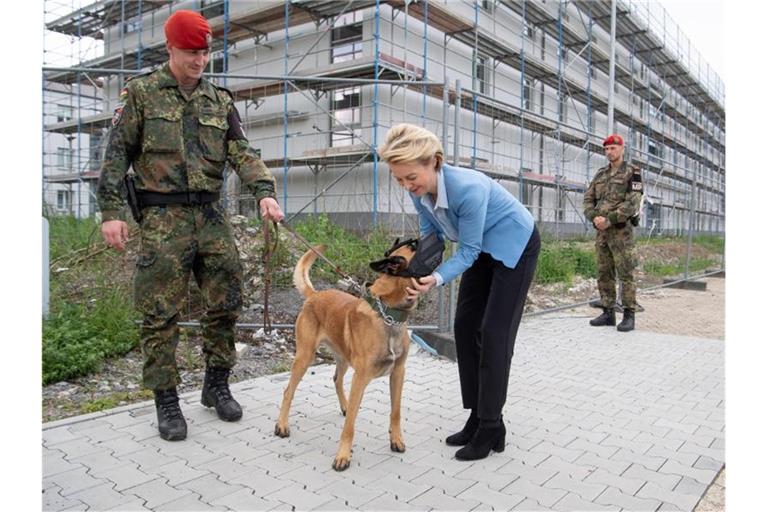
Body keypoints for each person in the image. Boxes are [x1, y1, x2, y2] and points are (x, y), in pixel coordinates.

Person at [96, 10, 284, 441]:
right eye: (189, 52)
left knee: (227, 300)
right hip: (163, 219)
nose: (198, 61)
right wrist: (111, 213)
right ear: (171, 49)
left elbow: (242, 150)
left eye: (203, 52)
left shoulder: (219, 100)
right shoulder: (141, 94)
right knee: (160, 312)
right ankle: (166, 399)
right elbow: (115, 158)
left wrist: (264, 191)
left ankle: (216, 384)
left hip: (211, 216)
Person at [378, 123, 540, 461]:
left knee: (494, 334)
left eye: (411, 177)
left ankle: (492, 425)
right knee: (466, 328)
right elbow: (430, 234)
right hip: (481, 249)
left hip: (514, 247)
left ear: (434, 162)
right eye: (399, 180)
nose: (407, 186)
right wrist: (416, 273)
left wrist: (435, 279)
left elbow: (467, 251)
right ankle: (477, 416)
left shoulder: (467, 189)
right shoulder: (418, 190)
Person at [583, 134, 643, 332]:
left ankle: (629, 315)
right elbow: (588, 199)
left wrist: (609, 220)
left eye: (613, 148)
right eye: (606, 149)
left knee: (626, 273)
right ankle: (608, 312)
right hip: (602, 233)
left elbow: (633, 202)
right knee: (604, 272)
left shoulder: (633, 172)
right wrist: (594, 218)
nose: (609, 152)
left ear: (622, 149)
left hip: (621, 233)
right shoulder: (600, 174)